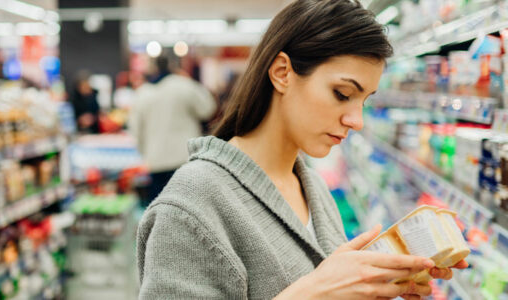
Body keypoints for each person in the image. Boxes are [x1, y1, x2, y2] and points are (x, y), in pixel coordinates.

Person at [136, 0, 468, 299]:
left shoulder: (314, 189)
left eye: (365, 100)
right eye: (342, 94)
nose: (357, 121)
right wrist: (316, 291)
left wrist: (370, 285)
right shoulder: (191, 206)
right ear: (282, 73)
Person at [129, 56, 216, 206]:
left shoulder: (143, 93)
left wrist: (145, 153)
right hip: (185, 157)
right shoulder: (184, 85)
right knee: (189, 209)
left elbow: (135, 129)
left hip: (156, 161)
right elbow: (207, 109)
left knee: (159, 211)